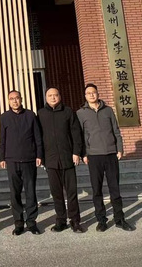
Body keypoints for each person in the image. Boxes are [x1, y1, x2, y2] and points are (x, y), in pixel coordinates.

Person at [77, 83, 135, 232]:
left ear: (98, 94)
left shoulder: (108, 110)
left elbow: (116, 131)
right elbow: (80, 136)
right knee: (97, 190)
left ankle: (119, 219)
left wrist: (119, 148)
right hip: (93, 156)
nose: (91, 95)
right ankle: (101, 220)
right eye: (89, 93)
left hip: (110, 154)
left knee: (114, 188)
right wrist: (84, 153)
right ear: (85, 96)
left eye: (94, 92)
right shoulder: (81, 113)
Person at [37, 87, 85, 233]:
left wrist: (76, 152)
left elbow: (76, 133)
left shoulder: (68, 111)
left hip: (67, 158)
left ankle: (75, 221)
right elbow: (38, 137)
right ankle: (61, 220)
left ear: (60, 96)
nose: (53, 97)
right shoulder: (41, 114)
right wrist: (40, 156)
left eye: (55, 95)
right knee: (56, 193)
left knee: (72, 192)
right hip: (50, 160)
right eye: (50, 95)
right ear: (46, 98)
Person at [0, 90, 43, 235]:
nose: (14, 101)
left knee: (30, 192)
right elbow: (2, 139)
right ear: (8, 101)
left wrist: (39, 155)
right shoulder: (4, 117)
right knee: (15, 193)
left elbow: (37, 136)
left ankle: (31, 223)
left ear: (21, 99)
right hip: (12, 160)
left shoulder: (30, 115)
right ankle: (18, 223)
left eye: (17, 98)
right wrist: (2, 157)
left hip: (29, 159)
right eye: (11, 98)